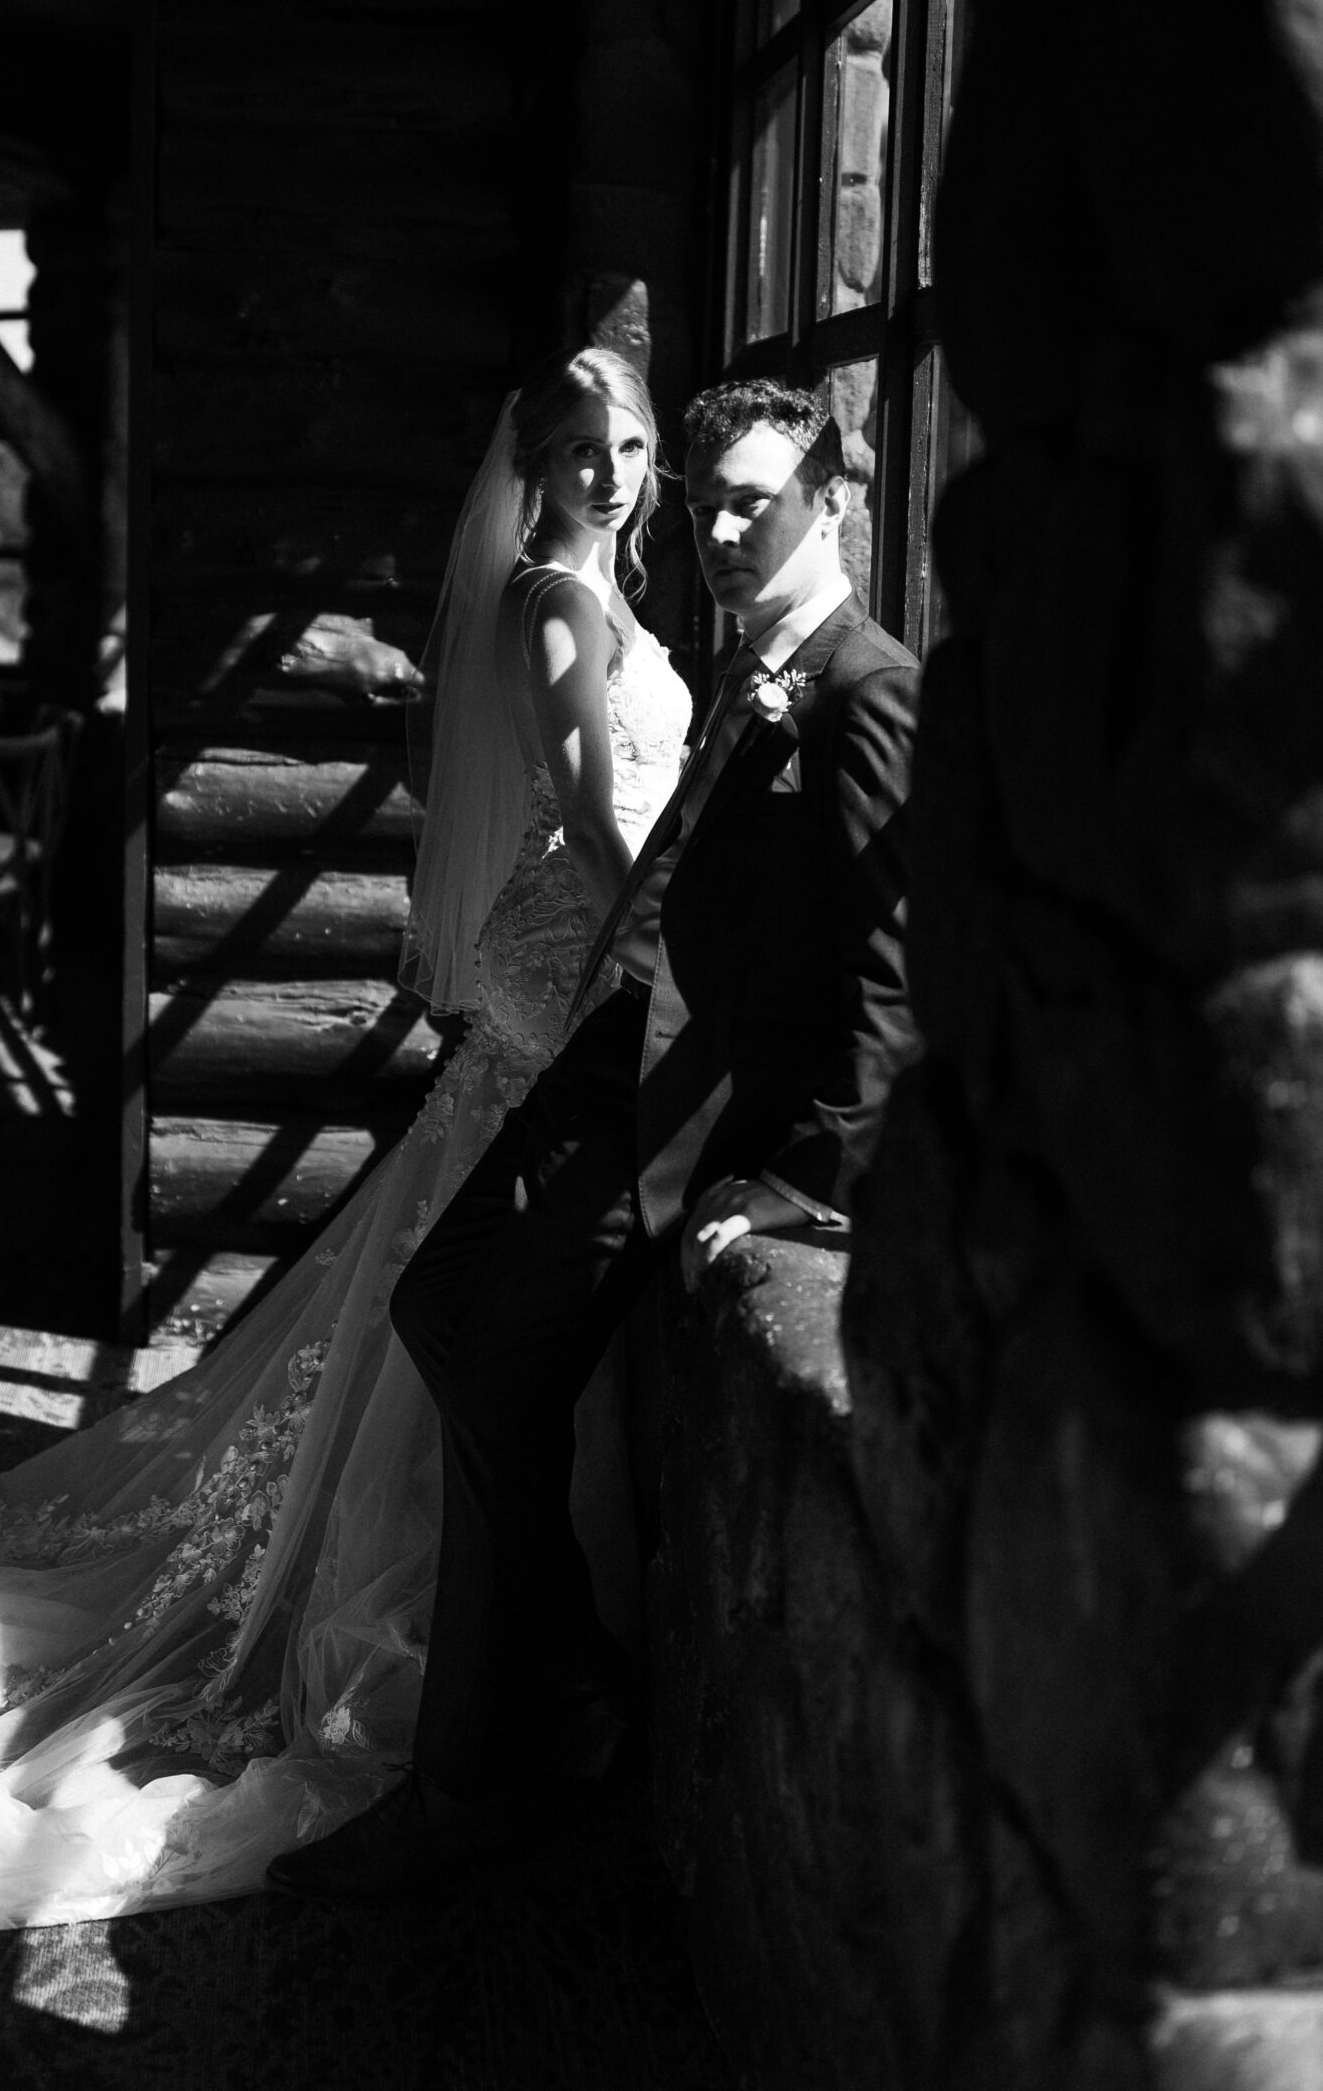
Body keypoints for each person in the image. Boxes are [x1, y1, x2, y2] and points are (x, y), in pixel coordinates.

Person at [0, 348, 692, 1930]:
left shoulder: (585, 596)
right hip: (579, 963)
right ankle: (458, 1616)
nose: (611, 472)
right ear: (537, 472)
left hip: (551, 967)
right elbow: (595, 813)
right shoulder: (559, 603)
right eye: (580, 452)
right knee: (483, 1279)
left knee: (458, 1266)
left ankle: (513, 1624)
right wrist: (687, 937)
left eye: (627, 445)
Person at [267, 373, 921, 1899]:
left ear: (830, 500)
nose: (723, 524)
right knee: (438, 1307)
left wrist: (798, 1183)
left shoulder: (867, 683)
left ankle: (470, 1788)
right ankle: (566, 1668)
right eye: (707, 502)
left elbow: (894, 989)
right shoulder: (751, 657)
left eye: (758, 496)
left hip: (686, 1125)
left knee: (495, 1355)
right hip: (605, 1052)